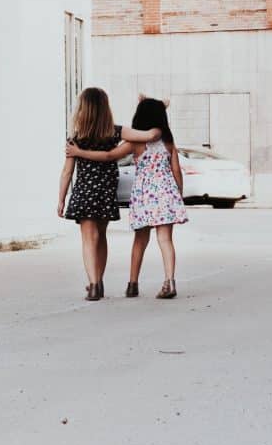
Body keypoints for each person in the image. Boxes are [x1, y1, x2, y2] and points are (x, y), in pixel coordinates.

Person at [66, 96, 187, 299]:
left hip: (144, 196)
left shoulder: (134, 144)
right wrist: (178, 196)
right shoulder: (168, 142)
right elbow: (177, 171)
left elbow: (108, 156)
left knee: (140, 240)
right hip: (166, 194)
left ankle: (132, 284)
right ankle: (170, 281)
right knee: (165, 239)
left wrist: (80, 152)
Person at [57, 88, 160, 301]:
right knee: (101, 236)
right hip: (105, 192)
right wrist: (158, 113)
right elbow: (149, 135)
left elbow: (67, 171)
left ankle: (93, 285)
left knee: (88, 239)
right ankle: (99, 283)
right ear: (105, 108)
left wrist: (61, 198)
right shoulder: (114, 132)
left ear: (82, 109)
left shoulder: (75, 139)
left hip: (84, 192)